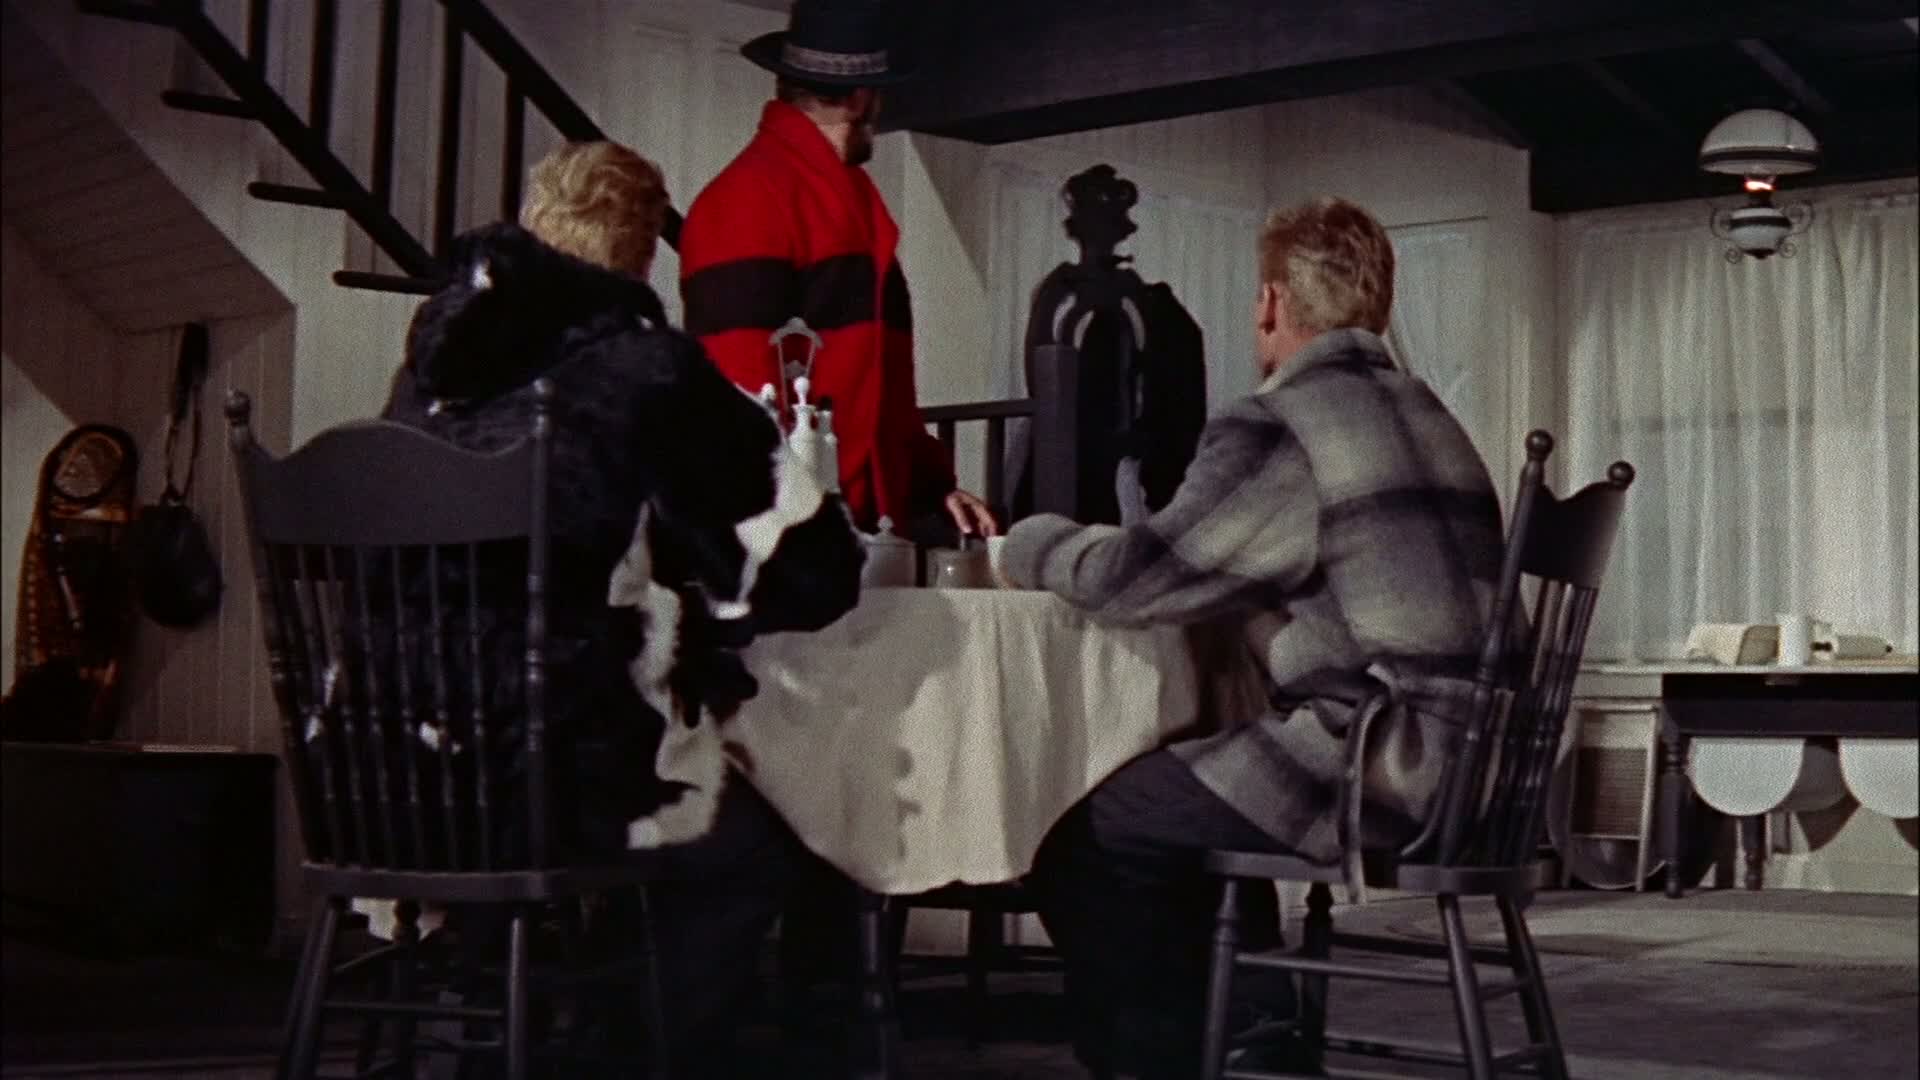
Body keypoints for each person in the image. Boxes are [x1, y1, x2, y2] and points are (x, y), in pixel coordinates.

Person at [993, 197, 1507, 1079]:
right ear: (1377, 303)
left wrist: (1025, 544)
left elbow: (1139, 578)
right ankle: (1253, 1037)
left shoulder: (1286, 420)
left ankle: (1173, 1062)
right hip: (1486, 769)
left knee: (1091, 843)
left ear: (1270, 303)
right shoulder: (1430, 413)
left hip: (1382, 766)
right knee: (1197, 808)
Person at [381, 140, 864, 1073]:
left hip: (394, 776)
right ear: (644, 255)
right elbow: (814, 569)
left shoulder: (430, 375)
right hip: (552, 778)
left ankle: (505, 1020)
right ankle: (626, 1056)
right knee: (761, 842)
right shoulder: (645, 370)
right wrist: (705, 589)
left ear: (535, 227)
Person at [677, 0, 997, 542]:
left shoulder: (844, 198)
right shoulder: (750, 197)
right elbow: (740, 397)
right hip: (794, 533)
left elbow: (880, 383)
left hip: (861, 523)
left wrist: (930, 485)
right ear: (861, 98)